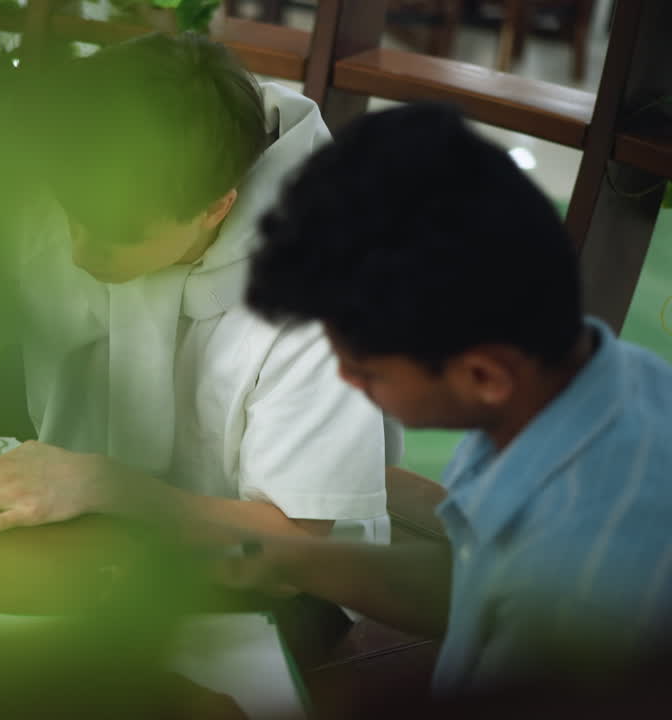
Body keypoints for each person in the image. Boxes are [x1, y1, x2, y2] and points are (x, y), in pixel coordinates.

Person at [0, 33, 396, 545]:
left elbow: (300, 542)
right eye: (74, 218)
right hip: (85, 534)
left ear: (216, 206)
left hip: (268, 585)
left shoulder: (325, 287)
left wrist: (106, 486)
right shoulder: (73, 185)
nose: (80, 253)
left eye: (118, 237)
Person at [229, 102, 672, 694]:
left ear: (483, 375)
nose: (344, 385)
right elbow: (480, 577)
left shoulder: (583, 592)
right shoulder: (597, 380)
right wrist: (283, 558)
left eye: (365, 371)